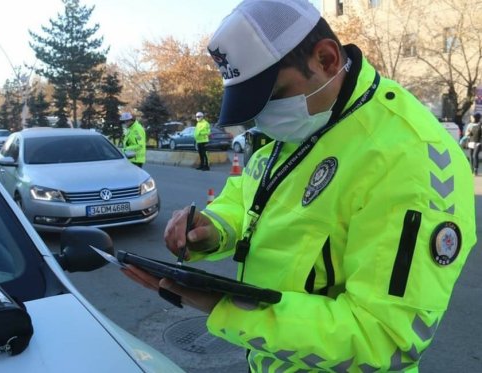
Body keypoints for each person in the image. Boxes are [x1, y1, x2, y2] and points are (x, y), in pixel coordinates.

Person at [121, 0, 476, 371]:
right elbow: (251, 199)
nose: (262, 118)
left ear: (326, 59)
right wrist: (214, 230)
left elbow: (385, 338)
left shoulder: (409, 155)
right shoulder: (306, 121)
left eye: (271, 96)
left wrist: (222, 307)